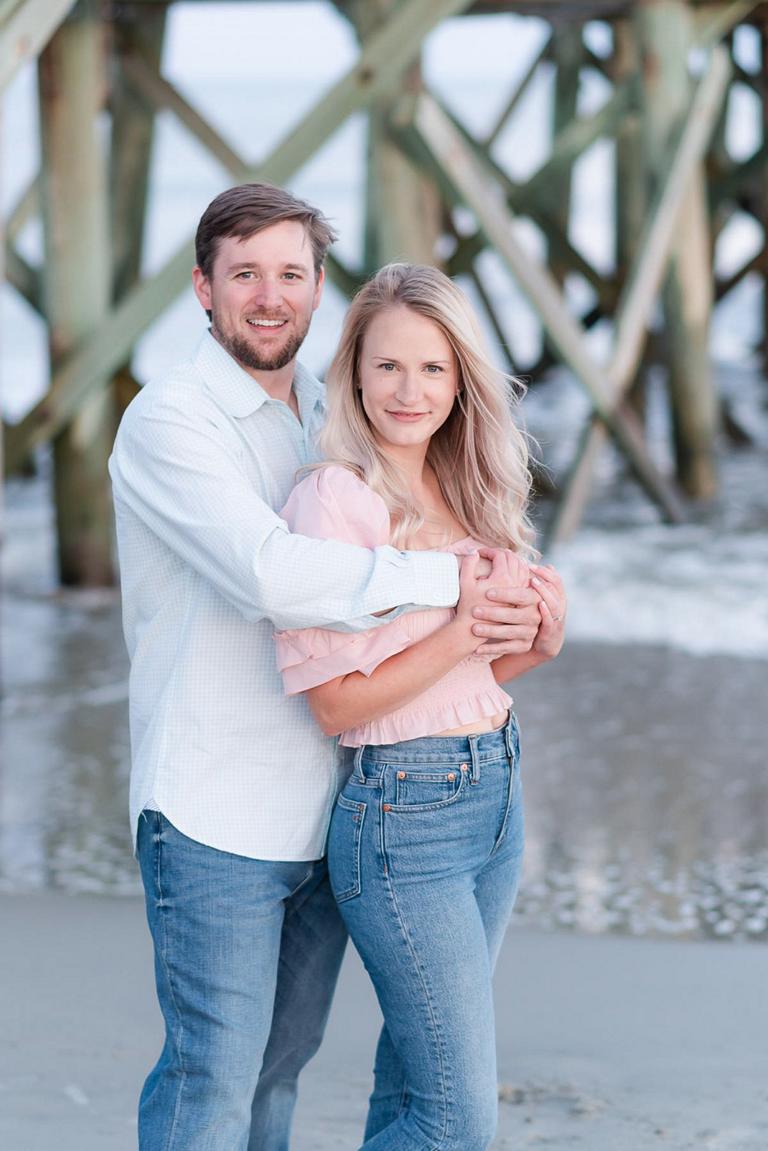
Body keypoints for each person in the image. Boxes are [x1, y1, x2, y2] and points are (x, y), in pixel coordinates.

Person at [108, 183, 545, 1151]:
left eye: (292, 275)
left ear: (316, 293)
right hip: (216, 809)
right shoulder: (169, 421)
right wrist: (457, 582)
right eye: (246, 274)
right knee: (213, 1075)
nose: (270, 296)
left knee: (275, 1071)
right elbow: (275, 573)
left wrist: (525, 600)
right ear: (203, 288)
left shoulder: (330, 406)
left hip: (337, 796)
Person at [274, 263, 566, 1151]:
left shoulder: (468, 479)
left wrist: (543, 633)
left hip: (495, 793)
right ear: (353, 372)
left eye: (433, 369)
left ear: (460, 377)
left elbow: (480, 670)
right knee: (456, 1123)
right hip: (405, 817)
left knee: (414, 1085)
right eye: (389, 366)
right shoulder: (333, 500)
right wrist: (463, 628)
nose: (410, 390)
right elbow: (335, 705)